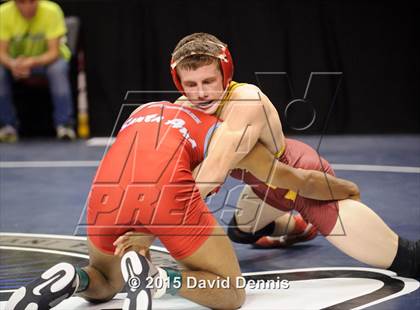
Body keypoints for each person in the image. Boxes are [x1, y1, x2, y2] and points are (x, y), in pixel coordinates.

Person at [6, 100, 360, 309]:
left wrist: (142, 233)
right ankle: (158, 278)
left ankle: (75, 279)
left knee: (104, 282)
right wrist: (344, 187)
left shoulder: (144, 109)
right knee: (231, 291)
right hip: (167, 200)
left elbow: (144, 171)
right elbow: (294, 179)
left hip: (105, 196)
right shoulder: (228, 132)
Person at [169, 32, 419, 278]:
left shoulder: (246, 100)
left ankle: (317, 217)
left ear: (225, 75)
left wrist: (154, 217)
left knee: (407, 260)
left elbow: (212, 172)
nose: (201, 94)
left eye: (209, 81)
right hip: (263, 187)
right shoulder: (182, 109)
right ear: (179, 83)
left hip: (300, 178)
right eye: (191, 84)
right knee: (241, 231)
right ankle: (300, 228)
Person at [0, 0, 76, 142]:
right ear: (15, 2)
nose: (28, 7)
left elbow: (54, 53)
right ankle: (6, 126)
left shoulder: (52, 10)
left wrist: (32, 62)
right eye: (22, 2)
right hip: (15, 64)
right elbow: (1, 52)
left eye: (32, 2)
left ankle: (65, 125)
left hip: (46, 63)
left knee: (58, 69)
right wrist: (13, 64)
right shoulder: (3, 13)